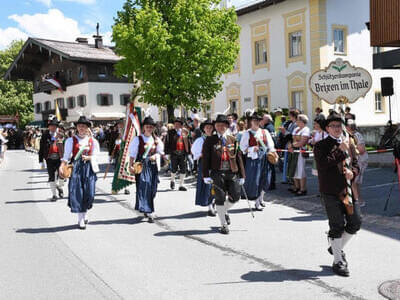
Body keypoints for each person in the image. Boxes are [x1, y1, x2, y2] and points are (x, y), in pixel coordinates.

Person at [314, 111, 361, 277]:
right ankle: (338, 261)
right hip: (330, 191)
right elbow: (323, 164)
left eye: (339, 125)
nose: (337, 128)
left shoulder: (348, 142)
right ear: (327, 128)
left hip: (347, 190)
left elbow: (356, 164)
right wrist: (340, 150)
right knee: (337, 225)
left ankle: (336, 248)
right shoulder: (320, 145)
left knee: (355, 222)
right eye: (333, 126)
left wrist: (353, 173)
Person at [202, 114, 245, 234]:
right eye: (218, 125)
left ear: (227, 126)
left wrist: (242, 175)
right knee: (220, 198)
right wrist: (205, 175)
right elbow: (205, 159)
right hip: (217, 172)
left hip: (232, 172)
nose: (220, 127)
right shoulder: (210, 140)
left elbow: (239, 157)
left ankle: (223, 210)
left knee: (236, 196)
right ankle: (223, 224)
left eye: (223, 125)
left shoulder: (233, 139)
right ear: (215, 126)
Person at [59, 116, 100, 230]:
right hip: (76, 168)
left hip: (89, 168)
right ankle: (80, 218)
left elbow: (97, 155)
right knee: (77, 192)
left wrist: (90, 157)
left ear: (87, 128)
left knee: (89, 193)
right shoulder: (70, 140)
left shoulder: (93, 141)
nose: (81, 128)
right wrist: (62, 166)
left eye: (84, 126)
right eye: (80, 126)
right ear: (77, 127)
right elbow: (66, 156)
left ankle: (85, 210)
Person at [129, 116, 164, 223]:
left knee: (152, 188)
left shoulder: (156, 140)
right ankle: (149, 211)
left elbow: (160, 153)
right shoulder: (137, 139)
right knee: (144, 186)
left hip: (152, 165)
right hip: (140, 165)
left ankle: (145, 206)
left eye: (151, 127)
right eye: (147, 126)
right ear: (144, 127)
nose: (149, 128)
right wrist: (130, 166)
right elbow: (132, 154)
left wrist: (156, 156)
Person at [240, 113, 276, 210]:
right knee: (256, 181)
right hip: (253, 160)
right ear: (250, 122)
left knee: (266, 180)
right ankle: (256, 202)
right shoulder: (247, 133)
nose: (256, 122)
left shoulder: (265, 132)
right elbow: (242, 148)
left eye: (258, 120)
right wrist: (252, 149)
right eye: (254, 120)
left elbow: (270, 145)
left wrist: (274, 153)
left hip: (264, 158)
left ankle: (261, 198)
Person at [191, 119, 216, 216]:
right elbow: (194, 151)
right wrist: (201, 154)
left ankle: (213, 203)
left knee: (216, 185)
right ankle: (210, 206)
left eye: (210, 127)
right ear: (204, 129)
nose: (209, 129)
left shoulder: (216, 138)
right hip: (205, 164)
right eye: (207, 127)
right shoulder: (200, 140)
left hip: (215, 165)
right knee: (208, 185)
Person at [39, 118, 65, 201]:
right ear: (49, 127)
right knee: (51, 176)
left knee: (62, 175)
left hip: (60, 158)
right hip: (49, 158)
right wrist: (41, 161)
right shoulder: (45, 135)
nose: (53, 128)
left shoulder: (61, 134)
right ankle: (54, 195)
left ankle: (59, 187)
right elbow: (41, 148)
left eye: (54, 126)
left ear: (57, 126)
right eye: (51, 126)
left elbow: (66, 146)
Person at [346, 119, 368, 207]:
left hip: (359, 161)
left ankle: (358, 201)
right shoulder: (352, 135)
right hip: (358, 160)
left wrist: (352, 152)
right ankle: (358, 200)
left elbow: (361, 150)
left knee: (354, 181)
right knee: (356, 181)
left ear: (348, 127)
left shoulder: (356, 136)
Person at [287, 114, 310, 196]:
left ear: (302, 121)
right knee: (294, 169)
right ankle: (296, 187)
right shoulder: (296, 129)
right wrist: (291, 146)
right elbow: (293, 140)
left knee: (300, 170)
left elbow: (302, 142)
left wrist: (293, 145)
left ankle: (303, 188)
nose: (296, 121)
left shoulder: (306, 130)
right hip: (294, 150)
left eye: (298, 120)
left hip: (301, 151)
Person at [165, 118, 190, 191]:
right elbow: (167, 142)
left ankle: (181, 185)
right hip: (174, 153)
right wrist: (167, 153)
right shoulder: (170, 132)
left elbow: (188, 142)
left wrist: (188, 152)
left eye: (179, 124)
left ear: (181, 125)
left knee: (183, 169)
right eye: (176, 124)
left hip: (182, 153)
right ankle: (172, 180)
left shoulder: (184, 132)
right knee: (174, 168)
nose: (177, 125)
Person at [280, 110, 298, 184]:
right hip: (288, 144)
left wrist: (285, 131)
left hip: (293, 144)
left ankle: (293, 181)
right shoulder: (290, 123)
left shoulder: (296, 124)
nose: (288, 116)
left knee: (293, 163)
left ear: (293, 115)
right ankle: (290, 179)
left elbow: (292, 135)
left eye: (289, 115)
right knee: (289, 162)